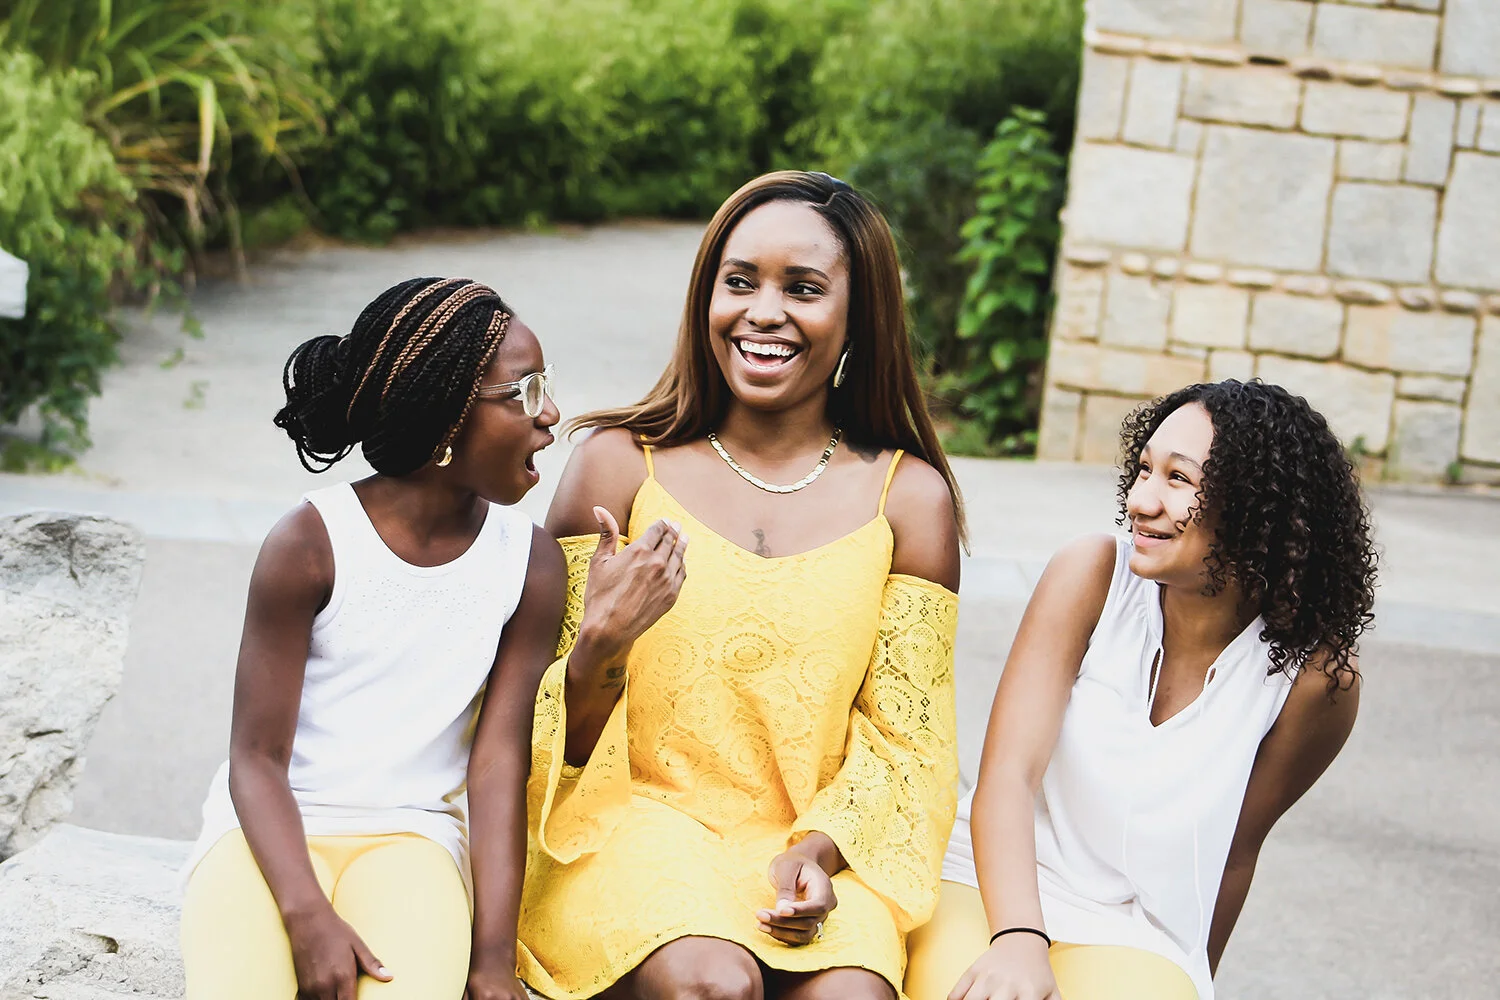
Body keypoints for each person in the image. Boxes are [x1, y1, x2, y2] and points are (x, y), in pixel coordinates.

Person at [514, 170, 965, 1000]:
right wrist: (601, 648)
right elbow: (526, 732)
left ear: (859, 317)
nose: (764, 311)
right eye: (740, 282)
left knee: (854, 996)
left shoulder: (909, 501)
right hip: (625, 827)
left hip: (809, 845)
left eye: (803, 289)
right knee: (713, 984)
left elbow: (910, 744)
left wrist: (819, 851)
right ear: (705, 298)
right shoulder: (616, 469)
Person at [178, 276, 631, 1000]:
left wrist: (491, 957)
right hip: (267, 837)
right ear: (448, 415)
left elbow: (496, 767)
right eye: (523, 391)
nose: (550, 413)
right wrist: (306, 915)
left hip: (414, 843)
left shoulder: (530, 565)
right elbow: (255, 759)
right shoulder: (310, 543)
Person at [903, 379, 1378, 1000]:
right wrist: (1018, 939)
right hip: (996, 884)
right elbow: (1007, 778)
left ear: (1259, 508)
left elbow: (1235, 853)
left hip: (1134, 929)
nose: (1141, 500)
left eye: (1178, 479)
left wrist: (1189, 977)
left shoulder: (1316, 681)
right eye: (1144, 469)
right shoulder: (1092, 576)